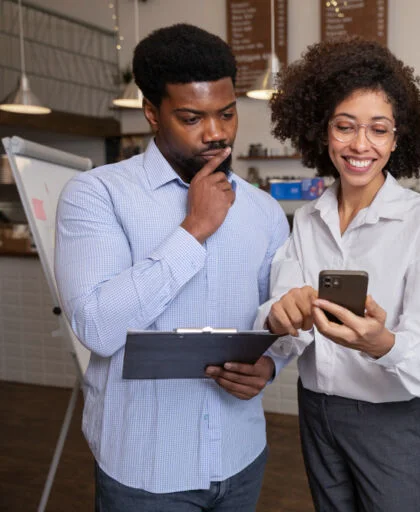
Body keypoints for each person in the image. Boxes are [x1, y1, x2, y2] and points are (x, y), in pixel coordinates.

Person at [54, 24, 288, 511]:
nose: (217, 133)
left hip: (240, 455)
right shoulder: (96, 195)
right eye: (191, 117)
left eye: (227, 114)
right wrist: (194, 229)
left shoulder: (263, 210)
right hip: (145, 465)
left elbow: (279, 312)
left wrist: (270, 365)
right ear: (151, 115)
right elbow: (96, 325)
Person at [256, 38, 420, 511]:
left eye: (378, 130)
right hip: (316, 412)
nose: (360, 145)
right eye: (345, 127)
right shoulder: (307, 219)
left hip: (387, 421)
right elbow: (285, 328)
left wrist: (382, 343)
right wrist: (279, 315)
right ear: (322, 131)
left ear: (396, 138)